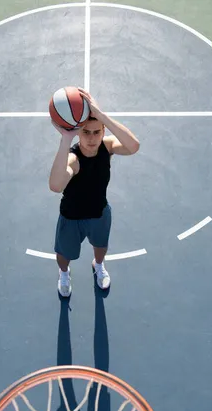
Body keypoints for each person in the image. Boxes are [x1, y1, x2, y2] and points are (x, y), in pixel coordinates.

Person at [49, 88, 140, 297]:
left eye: (97, 131)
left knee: (100, 246)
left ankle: (98, 266)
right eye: (86, 132)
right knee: (64, 256)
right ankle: (64, 273)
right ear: (78, 132)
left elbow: (133, 146)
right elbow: (55, 186)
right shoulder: (73, 159)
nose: (91, 138)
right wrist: (65, 138)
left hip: (99, 213)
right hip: (71, 218)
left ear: (103, 131)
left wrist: (102, 116)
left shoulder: (106, 148)